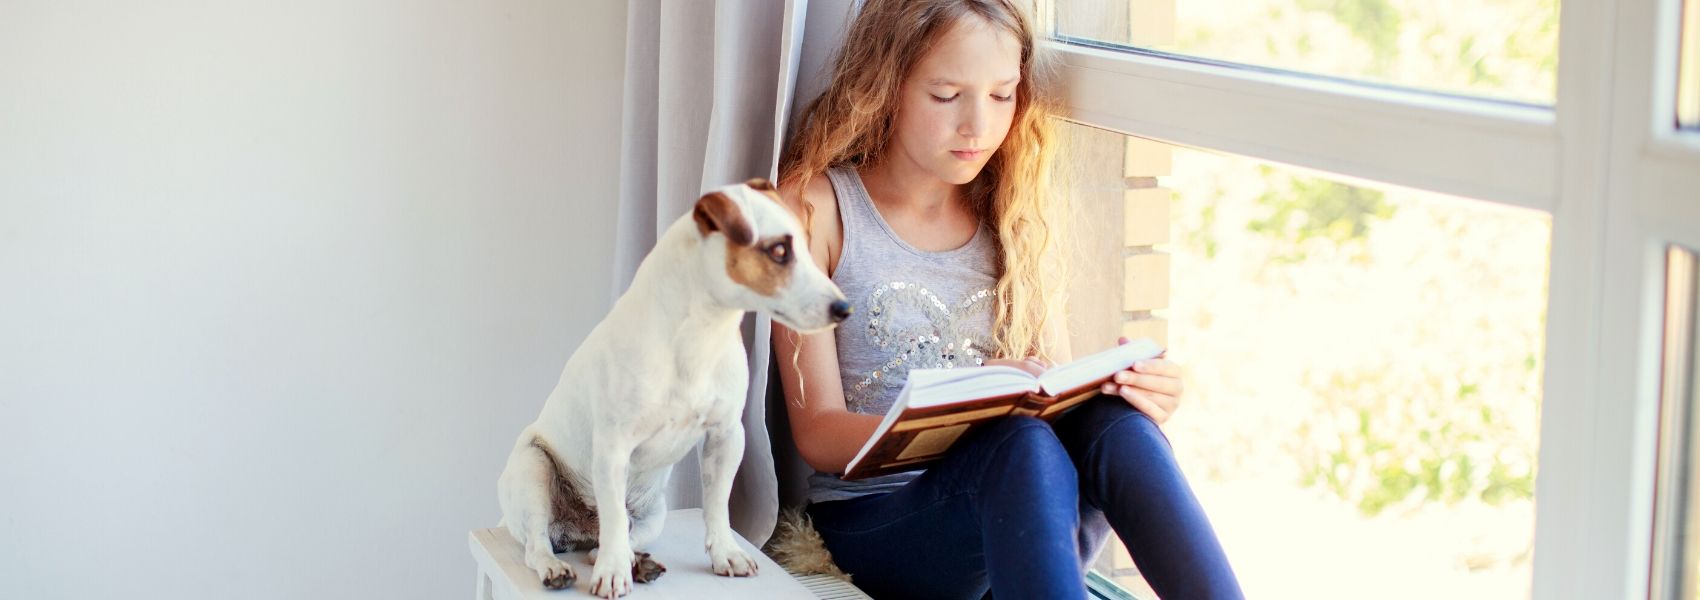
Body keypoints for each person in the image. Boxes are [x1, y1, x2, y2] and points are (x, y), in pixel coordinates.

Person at [770, 0, 1245, 598]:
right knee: (1013, 441)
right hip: (881, 524)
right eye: (946, 96)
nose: (978, 125)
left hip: (1015, 517)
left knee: (1114, 423)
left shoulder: (1013, 216)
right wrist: (966, 417)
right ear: (886, 85)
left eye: (1002, 95)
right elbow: (817, 434)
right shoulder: (813, 210)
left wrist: (1131, 388)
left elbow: (1053, 398)